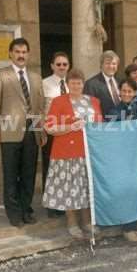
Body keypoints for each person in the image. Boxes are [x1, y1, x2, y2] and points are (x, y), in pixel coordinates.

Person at [0, 37, 45, 227]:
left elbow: (40, 107)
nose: (21, 55)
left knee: (29, 173)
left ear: (28, 54)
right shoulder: (1, 75)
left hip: (31, 131)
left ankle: (26, 210)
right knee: (11, 174)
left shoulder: (36, 77)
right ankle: (14, 214)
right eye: (17, 52)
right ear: (11, 54)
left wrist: (41, 132)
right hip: (9, 131)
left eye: (24, 52)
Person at [43, 69, 103, 239]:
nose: (76, 85)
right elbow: (49, 128)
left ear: (84, 84)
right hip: (66, 153)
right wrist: (70, 127)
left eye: (79, 82)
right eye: (73, 82)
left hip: (89, 153)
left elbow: (101, 125)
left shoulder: (94, 101)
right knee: (69, 189)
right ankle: (71, 222)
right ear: (67, 84)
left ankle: (86, 221)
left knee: (85, 187)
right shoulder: (58, 101)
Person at [109, 78, 137, 242]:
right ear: (119, 92)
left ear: (135, 93)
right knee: (126, 190)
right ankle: (126, 228)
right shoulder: (113, 110)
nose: (126, 94)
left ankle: (136, 226)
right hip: (123, 155)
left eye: (129, 91)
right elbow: (112, 132)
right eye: (123, 91)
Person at [41, 51, 70, 218]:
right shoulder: (44, 84)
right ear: (52, 66)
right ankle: (52, 205)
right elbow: (40, 109)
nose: (61, 67)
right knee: (50, 167)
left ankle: (66, 202)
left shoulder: (71, 85)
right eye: (58, 64)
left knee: (66, 168)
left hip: (69, 132)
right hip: (51, 132)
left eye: (64, 64)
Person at [83, 50, 120, 120]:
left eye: (114, 63)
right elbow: (89, 109)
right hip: (103, 126)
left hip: (122, 124)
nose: (111, 66)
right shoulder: (91, 84)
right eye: (107, 63)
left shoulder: (121, 82)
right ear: (101, 65)